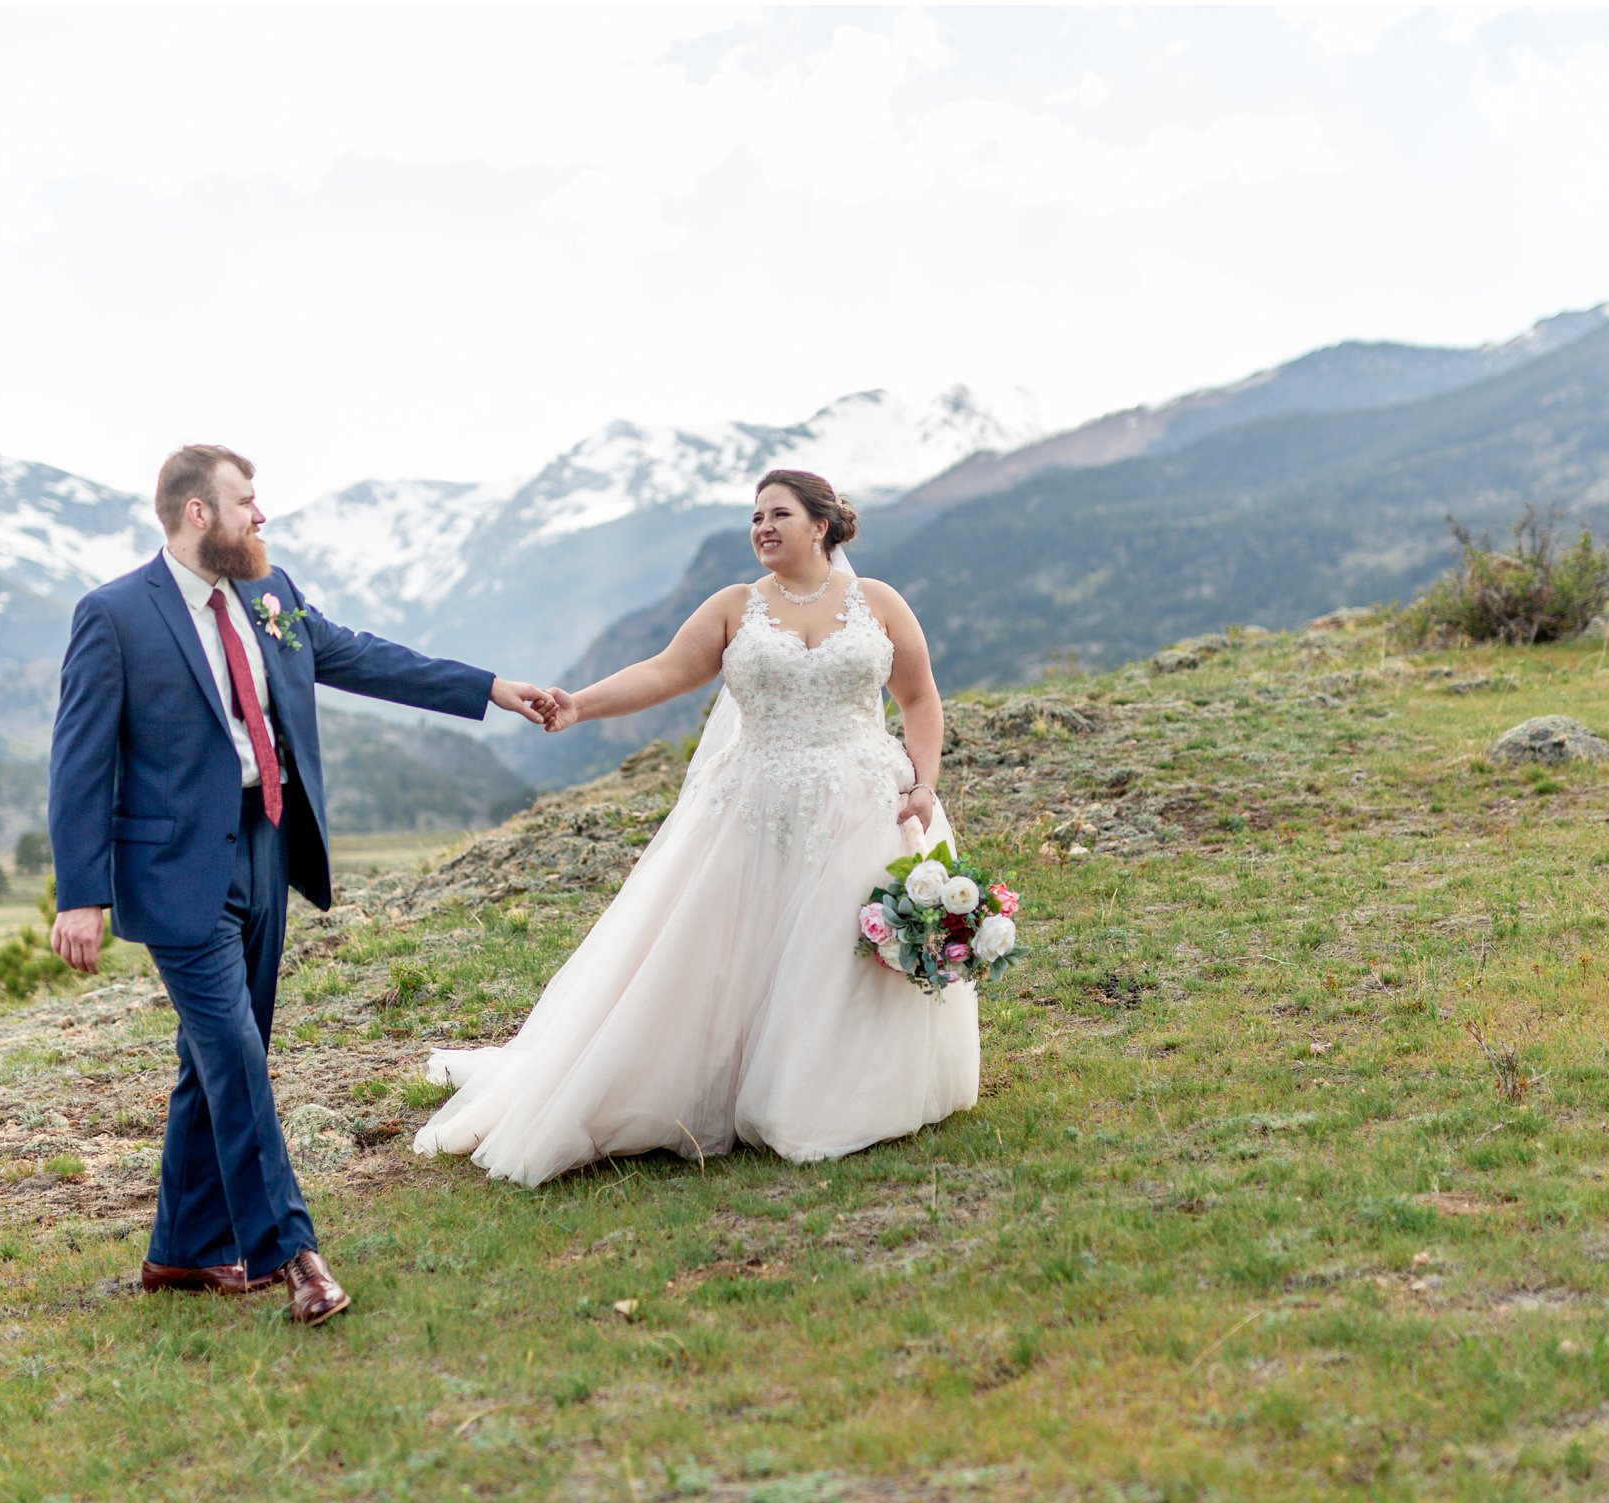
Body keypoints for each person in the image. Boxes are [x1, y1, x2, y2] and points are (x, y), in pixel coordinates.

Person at [48, 445, 556, 1323]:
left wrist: (492, 689)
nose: (262, 516)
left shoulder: (270, 592)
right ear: (198, 512)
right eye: (247, 501)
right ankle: (293, 1254)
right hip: (172, 871)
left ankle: (180, 1254)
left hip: (267, 847)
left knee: (215, 1061)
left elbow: (361, 657)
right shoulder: (115, 615)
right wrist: (78, 893)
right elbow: (79, 760)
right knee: (235, 1056)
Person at [414, 468, 980, 1186]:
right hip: (754, 806)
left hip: (865, 802)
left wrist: (924, 784)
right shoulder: (735, 607)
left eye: (778, 514)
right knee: (730, 952)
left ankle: (828, 1096)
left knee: (840, 954)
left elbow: (919, 697)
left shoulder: (878, 604)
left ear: (822, 525)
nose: (762, 528)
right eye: (754, 518)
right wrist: (579, 704)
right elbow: (663, 672)